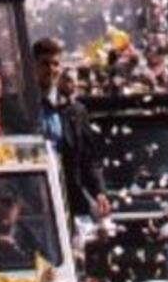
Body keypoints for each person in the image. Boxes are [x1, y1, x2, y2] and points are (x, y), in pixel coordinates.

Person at [32, 38, 110, 218]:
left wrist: (99, 191)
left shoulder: (75, 112)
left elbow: (89, 159)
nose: (51, 70)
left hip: (69, 199)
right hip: (32, 201)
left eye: (55, 64)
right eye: (45, 64)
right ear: (33, 66)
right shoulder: (19, 108)